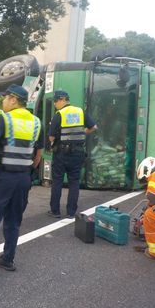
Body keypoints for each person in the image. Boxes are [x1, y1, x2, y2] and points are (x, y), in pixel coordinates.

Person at [0, 84, 43, 281]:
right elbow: (38, 155)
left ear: (13, 100)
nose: (3, 102)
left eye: (5, 98)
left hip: (1, 178)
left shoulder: (4, 118)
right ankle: (8, 259)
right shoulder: (36, 122)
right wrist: (27, 169)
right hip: (23, 178)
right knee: (14, 221)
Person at [48, 90, 97, 218]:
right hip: (78, 153)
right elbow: (94, 127)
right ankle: (71, 212)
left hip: (61, 154)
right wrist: (82, 133)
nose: (54, 104)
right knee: (74, 182)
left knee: (57, 181)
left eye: (55, 101)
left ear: (61, 100)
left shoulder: (59, 114)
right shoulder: (80, 112)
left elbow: (51, 137)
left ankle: (55, 211)